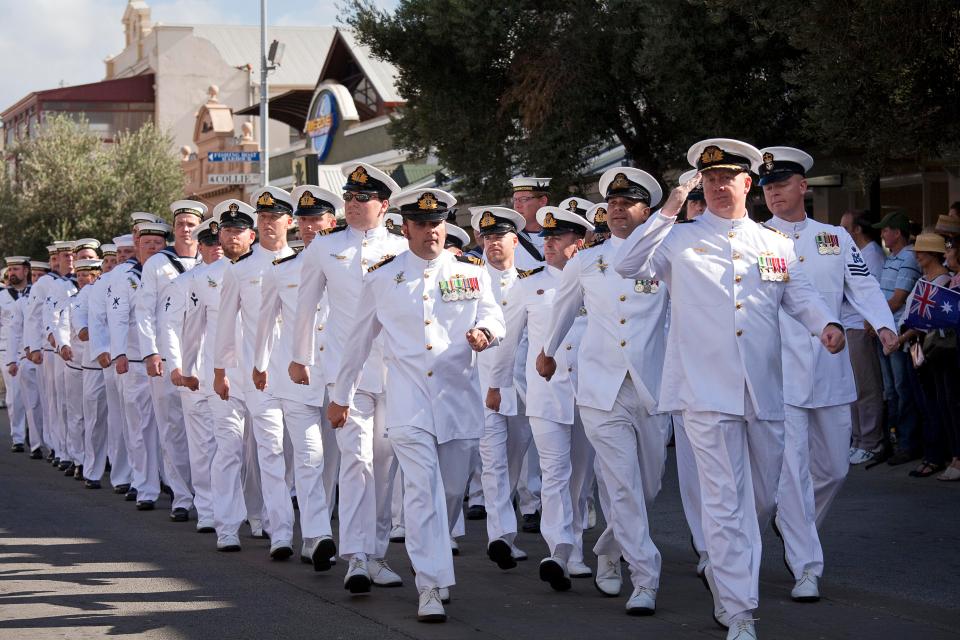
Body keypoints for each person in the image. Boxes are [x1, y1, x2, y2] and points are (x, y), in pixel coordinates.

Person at [613, 138, 844, 640]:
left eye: (728, 179)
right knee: (723, 500)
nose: (719, 186)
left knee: (760, 501)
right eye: (710, 179)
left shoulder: (774, 245)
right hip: (703, 391)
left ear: (748, 184)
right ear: (702, 184)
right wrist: (671, 207)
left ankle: (727, 569)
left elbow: (800, 296)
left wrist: (826, 323)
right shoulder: (678, 237)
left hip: (762, 390)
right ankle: (737, 608)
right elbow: (628, 265)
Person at [327, 187, 505, 622]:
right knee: (422, 492)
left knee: (448, 494)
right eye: (422, 225)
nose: (432, 232)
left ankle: (435, 562)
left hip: (457, 399)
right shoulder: (383, 276)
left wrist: (486, 333)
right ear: (404, 228)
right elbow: (356, 341)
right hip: (408, 402)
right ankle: (428, 585)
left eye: (438, 224)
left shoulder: (472, 269)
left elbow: (493, 314)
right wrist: (340, 396)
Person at [757, 146, 897, 604]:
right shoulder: (756, 239)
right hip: (779, 373)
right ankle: (806, 567)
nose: (774, 193)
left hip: (831, 370)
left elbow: (863, 286)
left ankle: (793, 526)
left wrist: (884, 324)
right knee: (794, 474)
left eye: (781, 184)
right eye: (767, 187)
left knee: (834, 470)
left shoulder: (833, 239)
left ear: (803, 187)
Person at [540, 166, 671, 613]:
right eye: (612, 204)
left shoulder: (664, 255)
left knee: (647, 486)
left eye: (626, 202)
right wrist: (547, 350)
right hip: (600, 386)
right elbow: (562, 308)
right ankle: (645, 575)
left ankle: (607, 551)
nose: (617, 209)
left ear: (646, 211)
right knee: (622, 486)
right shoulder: (586, 260)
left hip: (652, 386)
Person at [289, 162, 408, 593]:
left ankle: (376, 552)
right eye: (350, 198)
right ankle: (357, 556)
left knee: (384, 463)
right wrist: (299, 356)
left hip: (396, 371)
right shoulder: (324, 246)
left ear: (384, 204)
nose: (354, 205)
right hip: (344, 372)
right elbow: (306, 303)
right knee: (356, 461)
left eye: (363, 198)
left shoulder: (401, 245)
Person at [488, 203, 594, 590]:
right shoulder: (528, 284)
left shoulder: (595, 279)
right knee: (554, 474)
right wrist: (497, 384)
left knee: (581, 479)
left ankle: (577, 548)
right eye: (546, 237)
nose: (548, 243)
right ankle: (558, 549)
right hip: (546, 393)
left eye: (558, 237)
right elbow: (508, 340)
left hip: (590, 392)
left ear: (578, 244)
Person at [252, 185, 342, 570]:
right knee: (308, 457)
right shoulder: (282, 270)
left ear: (331, 222)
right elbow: (263, 321)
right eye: (303, 220)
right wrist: (259, 364)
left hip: (341, 375)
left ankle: (317, 533)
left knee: (335, 462)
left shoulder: (348, 265)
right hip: (297, 378)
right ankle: (319, 534)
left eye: (315, 220)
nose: (308, 228)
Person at [467, 205, 532, 570]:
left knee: (514, 459)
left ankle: (505, 530)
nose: (493, 243)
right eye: (487, 237)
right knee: (492, 461)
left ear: (515, 240)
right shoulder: (469, 279)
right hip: (482, 384)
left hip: (523, 386)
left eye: (500, 237)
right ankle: (500, 536)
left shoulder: (531, 278)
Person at [137, 200, 206, 522]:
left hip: (205, 357)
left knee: (208, 429)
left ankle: (211, 497)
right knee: (172, 428)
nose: (186, 228)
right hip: (166, 357)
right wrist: (150, 352)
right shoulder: (156, 264)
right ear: (174, 228)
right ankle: (182, 496)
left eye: (192, 223)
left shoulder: (211, 258)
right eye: (181, 223)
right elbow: (145, 311)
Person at [164, 216, 224, 533]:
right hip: (196, 376)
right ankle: (207, 509)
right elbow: (170, 326)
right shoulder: (184, 283)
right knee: (202, 446)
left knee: (233, 447)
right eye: (210, 244)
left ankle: (237, 508)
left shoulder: (238, 275)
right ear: (200, 247)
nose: (217, 249)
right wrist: (177, 366)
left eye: (220, 242)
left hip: (233, 375)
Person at [106, 223, 169, 511]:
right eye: (148, 242)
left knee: (169, 426)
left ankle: (171, 480)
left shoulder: (172, 271)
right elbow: (118, 318)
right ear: (138, 245)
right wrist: (118, 352)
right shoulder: (125, 277)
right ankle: (144, 485)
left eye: (158, 242)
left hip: (168, 361)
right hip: (134, 359)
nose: (153, 247)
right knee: (140, 427)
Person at [897, 232, 955, 478]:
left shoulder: (942, 281)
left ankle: (935, 455)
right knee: (922, 401)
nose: (917, 256)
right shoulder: (926, 279)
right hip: (916, 347)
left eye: (921, 252)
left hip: (927, 347)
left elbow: (926, 320)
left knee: (931, 402)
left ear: (933, 254)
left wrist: (900, 339)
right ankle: (932, 453)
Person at [873, 210, 923, 465]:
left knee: (902, 390)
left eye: (886, 229)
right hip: (885, 331)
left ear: (898, 233)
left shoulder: (909, 257)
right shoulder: (892, 258)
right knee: (890, 390)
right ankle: (893, 443)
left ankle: (907, 443)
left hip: (898, 335)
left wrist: (875, 321)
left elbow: (898, 298)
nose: (882, 233)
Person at [839, 210, 888, 464]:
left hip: (860, 326)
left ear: (856, 229)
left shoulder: (872, 255)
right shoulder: (855, 252)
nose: (840, 230)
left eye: (845, 226)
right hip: (846, 325)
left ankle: (871, 440)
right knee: (852, 387)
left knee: (866, 386)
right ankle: (858, 438)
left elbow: (872, 293)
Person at [89, 238, 136, 495]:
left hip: (146, 358)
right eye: (119, 252)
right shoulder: (106, 281)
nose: (122, 256)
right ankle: (121, 475)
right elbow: (96, 319)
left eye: (128, 251)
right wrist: (102, 350)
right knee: (120, 420)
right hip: (115, 359)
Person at [6, 261, 47, 458]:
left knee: (50, 404)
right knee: (29, 402)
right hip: (27, 357)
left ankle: (53, 444)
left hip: (51, 356)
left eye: (41, 277)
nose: (37, 281)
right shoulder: (21, 302)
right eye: (36, 277)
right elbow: (13, 332)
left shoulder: (56, 297)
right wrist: (12, 360)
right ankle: (36, 444)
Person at [1, 256, 31, 452]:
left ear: (26, 271)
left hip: (31, 349)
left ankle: (35, 433)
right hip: (6, 349)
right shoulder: (2, 295)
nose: (12, 273)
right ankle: (18, 437)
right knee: (14, 395)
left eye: (16, 269)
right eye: (10, 270)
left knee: (37, 396)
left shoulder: (35, 293)